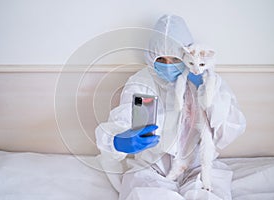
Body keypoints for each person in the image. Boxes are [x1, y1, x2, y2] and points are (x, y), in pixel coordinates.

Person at [95, 14, 246, 200]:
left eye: (174, 59)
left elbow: (229, 130)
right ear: (151, 57)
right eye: (161, 60)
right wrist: (116, 140)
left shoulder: (209, 81)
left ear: (186, 56)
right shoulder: (142, 82)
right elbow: (121, 119)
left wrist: (206, 93)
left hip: (199, 166)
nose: (168, 66)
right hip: (152, 167)